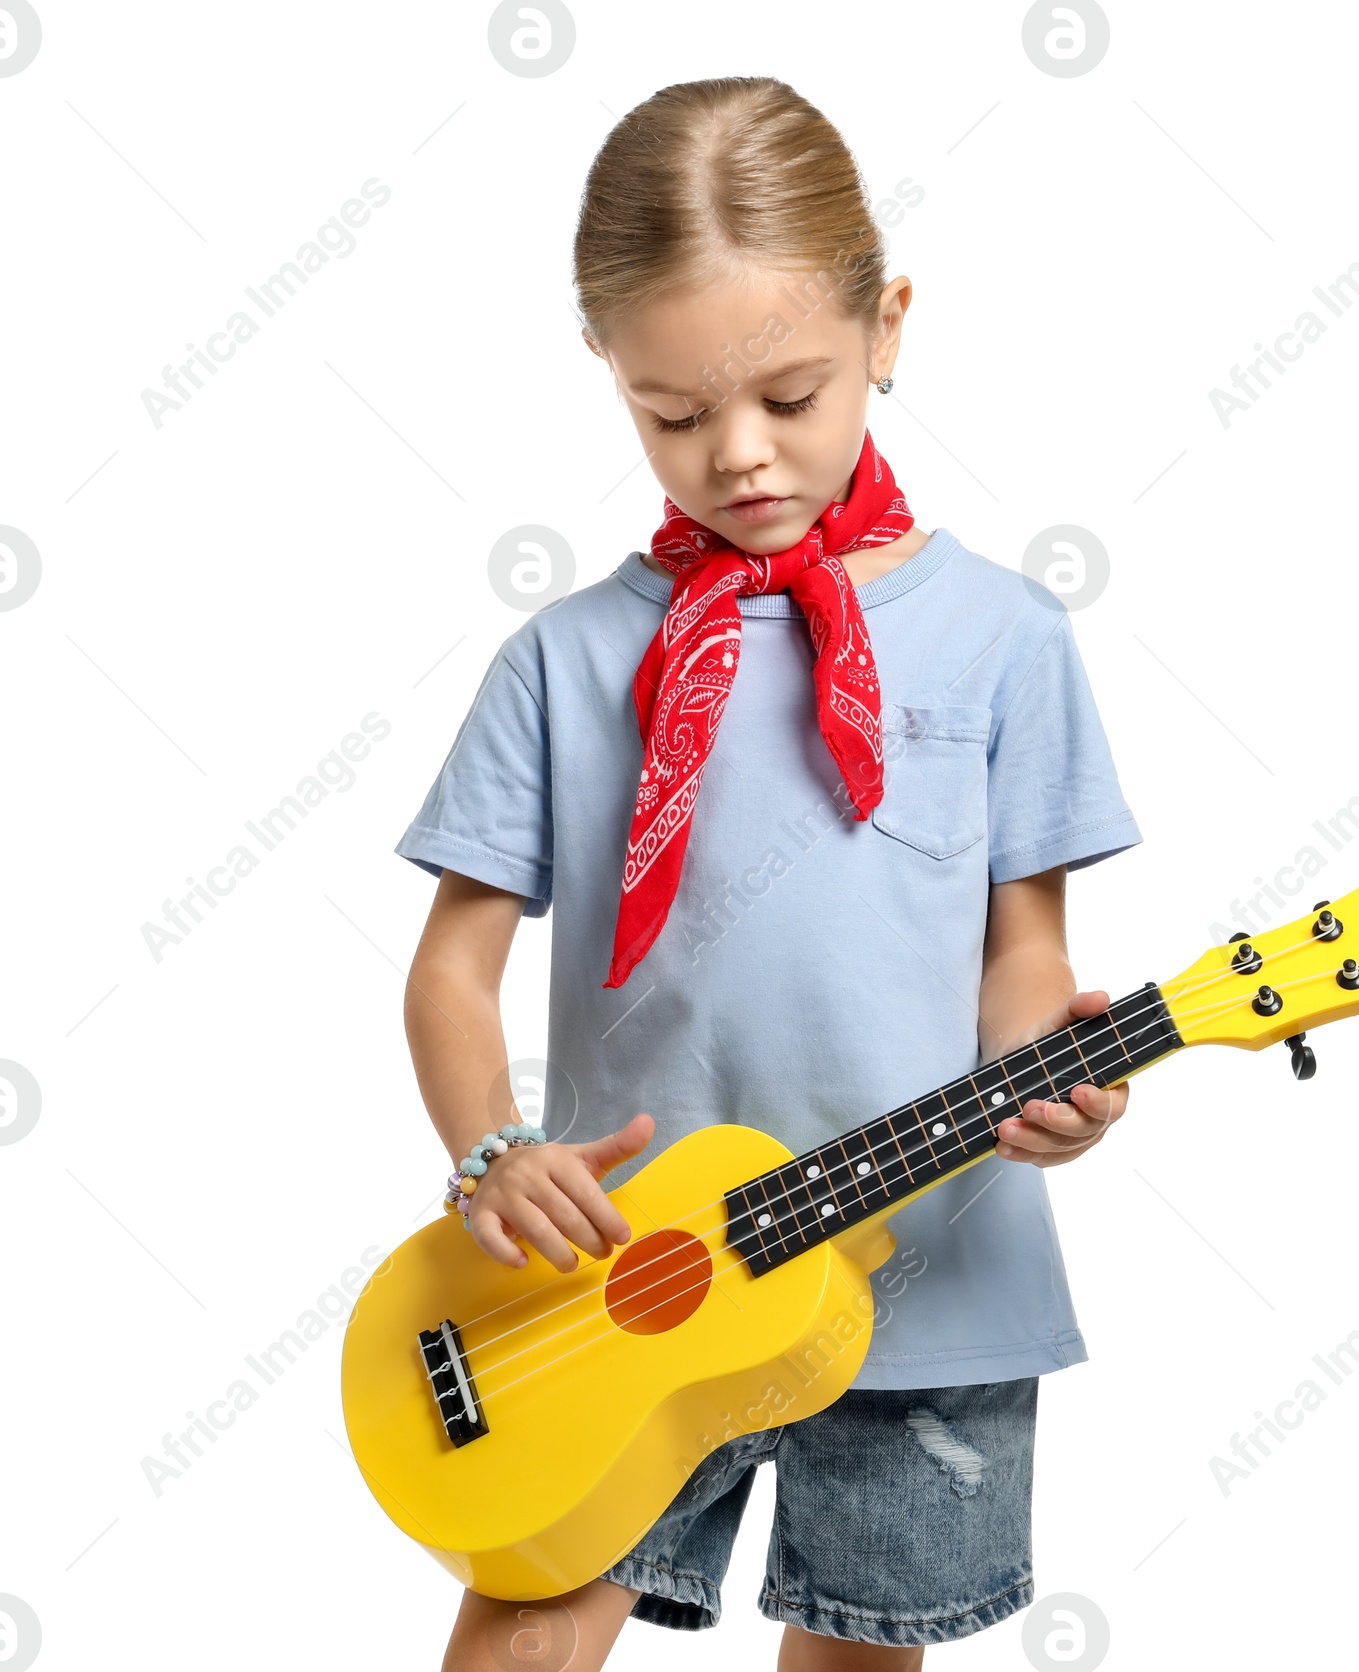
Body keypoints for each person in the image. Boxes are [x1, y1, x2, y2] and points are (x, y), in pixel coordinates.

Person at [396, 75, 1142, 1672]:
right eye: (673, 415)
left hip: (926, 1281)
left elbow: (1025, 947)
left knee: (860, 1651)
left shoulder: (1010, 639)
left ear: (890, 327)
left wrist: (1038, 1073)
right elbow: (450, 971)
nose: (736, 456)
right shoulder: (568, 659)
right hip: (625, 1286)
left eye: (791, 395)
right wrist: (490, 1157)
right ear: (610, 371)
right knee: (523, 1633)